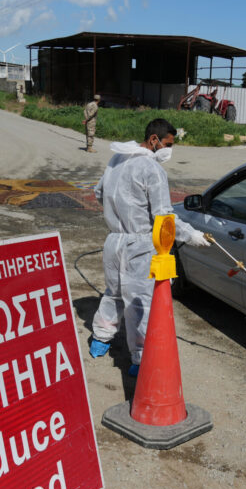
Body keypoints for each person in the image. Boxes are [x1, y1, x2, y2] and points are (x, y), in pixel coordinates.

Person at [89, 118, 210, 376]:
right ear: (154, 140)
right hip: (139, 245)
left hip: (114, 240)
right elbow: (163, 218)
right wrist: (191, 235)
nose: (169, 150)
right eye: (168, 144)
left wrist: (119, 212)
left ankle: (100, 339)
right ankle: (140, 359)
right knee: (139, 302)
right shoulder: (152, 170)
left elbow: (99, 193)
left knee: (113, 292)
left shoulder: (118, 159)